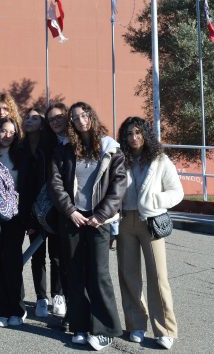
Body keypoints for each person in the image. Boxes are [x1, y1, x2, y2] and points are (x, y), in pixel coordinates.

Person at [48, 102, 125, 351]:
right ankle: (79, 325)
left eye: (84, 115)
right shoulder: (64, 150)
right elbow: (55, 184)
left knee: (99, 274)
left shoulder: (110, 148)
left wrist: (101, 215)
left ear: (92, 116)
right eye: (75, 117)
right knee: (74, 274)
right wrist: (70, 211)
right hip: (72, 220)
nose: (81, 120)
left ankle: (105, 329)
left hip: (98, 222)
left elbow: (118, 186)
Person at [117, 116, 183, 350]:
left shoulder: (160, 160)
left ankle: (165, 330)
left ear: (145, 133)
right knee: (128, 275)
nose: (133, 138)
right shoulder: (120, 160)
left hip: (151, 222)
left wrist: (156, 200)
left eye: (137, 132)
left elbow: (177, 192)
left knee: (158, 277)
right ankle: (135, 324)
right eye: (128, 134)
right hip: (125, 221)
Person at [21, 107, 64, 319]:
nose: (30, 121)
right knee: (37, 255)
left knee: (56, 255)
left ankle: (58, 294)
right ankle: (41, 298)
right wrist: (27, 212)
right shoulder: (21, 146)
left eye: (35, 118)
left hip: (53, 207)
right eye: (27, 117)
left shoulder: (51, 144)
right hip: (31, 207)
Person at [0, 117, 28, 328]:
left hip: (16, 216)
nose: (7, 135)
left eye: (11, 132)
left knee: (12, 262)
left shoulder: (22, 156)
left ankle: (16, 308)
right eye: (3, 131)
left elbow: (28, 185)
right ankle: (1, 308)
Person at [42, 103, 70, 318]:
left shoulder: (77, 140)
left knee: (68, 256)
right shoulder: (49, 144)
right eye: (51, 119)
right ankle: (53, 295)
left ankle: (66, 296)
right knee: (52, 254)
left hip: (79, 207)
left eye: (59, 117)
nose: (56, 122)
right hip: (54, 205)